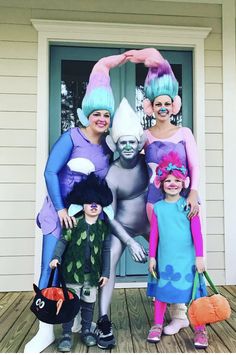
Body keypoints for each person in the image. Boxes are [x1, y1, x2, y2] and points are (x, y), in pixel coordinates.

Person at [24, 53, 127, 353]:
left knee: (81, 271)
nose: (102, 119)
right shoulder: (71, 137)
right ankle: (45, 328)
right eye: (97, 113)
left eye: (106, 115)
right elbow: (50, 171)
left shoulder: (107, 149)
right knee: (50, 269)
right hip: (59, 215)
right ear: (86, 113)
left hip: (86, 218)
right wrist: (59, 209)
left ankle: (79, 321)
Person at [125, 48, 200, 335]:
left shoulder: (185, 134)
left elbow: (195, 166)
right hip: (154, 203)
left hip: (183, 202)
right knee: (160, 252)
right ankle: (164, 311)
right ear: (150, 107)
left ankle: (182, 313)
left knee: (183, 251)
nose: (163, 108)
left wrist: (193, 193)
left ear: (175, 104)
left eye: (167, 103)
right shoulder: (145, 137)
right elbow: (131, 163)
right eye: (158, 103)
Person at [96, 98, 149, 349]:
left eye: (131, 141)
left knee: (172, 250)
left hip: (149, 224)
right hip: (122, 227)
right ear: (115, 144)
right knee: (109, 262)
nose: (128, 146)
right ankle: (103, 319)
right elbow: (109, 215)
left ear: (138, 142)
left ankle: (178, 308)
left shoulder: (148, 164)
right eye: (122, 142)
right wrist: (128, 242)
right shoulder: (112, 173)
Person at [147, 151, 208, 349]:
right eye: (168, 180)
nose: (172, 183)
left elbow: (197, 234)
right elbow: (154, 235)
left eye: (177, 180)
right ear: (161, 183)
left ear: (184, 183)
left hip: (188, 259)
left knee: (193, 294)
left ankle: (200, 328)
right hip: (166, 259)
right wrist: (152, 257)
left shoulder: (189, 205)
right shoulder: (158, 208)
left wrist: (200, 257)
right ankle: (157, 324)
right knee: (162, 291)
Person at [49, 173, 113, 352]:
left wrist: (106, 273)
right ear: (82, 204)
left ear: (102, 206)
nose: (93, 206)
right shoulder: (73, 223)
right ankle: (67, 333)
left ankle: (86, 330)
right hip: (72, 273)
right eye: (89, 202)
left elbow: (106, 251)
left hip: (92, 275)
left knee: (88, 303)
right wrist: (56, 257)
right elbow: (62, 241)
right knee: (70, 303)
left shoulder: (103, 228)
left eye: (97, 203)